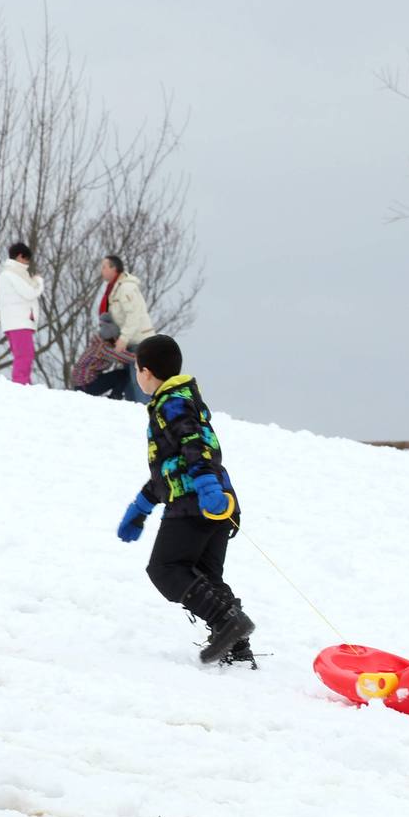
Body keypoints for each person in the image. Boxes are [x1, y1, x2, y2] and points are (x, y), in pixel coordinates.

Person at [115, 334, 255, 666]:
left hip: (197, 501)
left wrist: (206, 484)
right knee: (204, 574)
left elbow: (194, 443)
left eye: (137, 370)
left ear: (146, 372)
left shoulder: (171, 402)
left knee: (165, 568)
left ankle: (227, 622)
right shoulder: (182, 399)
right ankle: (237, 647)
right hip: (215, 501)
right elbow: (172, 463)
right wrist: (141, 507)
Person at [99, 254, 157, 402]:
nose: (102, 270)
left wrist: (123, 339)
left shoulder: (126, 288)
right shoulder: (114, 289)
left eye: (104, 267)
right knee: (129, 382)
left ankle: (145, 412)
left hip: (140, 341)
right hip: (130, 342)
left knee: (139, 382)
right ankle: (133, 412)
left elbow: (134, 315)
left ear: (114, 268)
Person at [0, 240, 43, 384]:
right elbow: (29, 292)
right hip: (18, 321)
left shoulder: (10, 274)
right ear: (20, 256)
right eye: (27, 259)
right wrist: (39, 282)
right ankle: (21, 383)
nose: (27, 263)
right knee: (25, 355)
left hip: (17, 321)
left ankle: (23, 382)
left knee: (24, 354)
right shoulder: (11, 274)